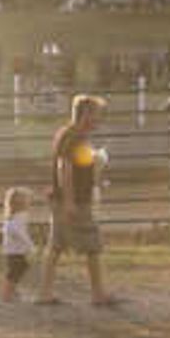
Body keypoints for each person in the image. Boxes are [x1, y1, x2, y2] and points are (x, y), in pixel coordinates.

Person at [39, 92, 122, 307]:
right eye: (95, 115)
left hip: (64, 199)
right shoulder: (75, 137)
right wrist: (70, 201)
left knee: (56, 246)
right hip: (74, 200)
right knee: (92, 245)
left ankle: (45, 293)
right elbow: (64, 168)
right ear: (85, 114)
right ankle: (98, 294)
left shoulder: (69, 135)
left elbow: (76, 165)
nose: (98, 120)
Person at [0, 183, 40, 304]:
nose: (29, 202)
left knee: (21, 268)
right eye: (27, 199)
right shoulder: (18, 216)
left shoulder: (19, 215)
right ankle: (7, 294)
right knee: (14, 270)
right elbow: (19, 232)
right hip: (13, 250)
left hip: (16, 249)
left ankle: (12, 290)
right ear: (20, 202)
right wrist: (30, 246)